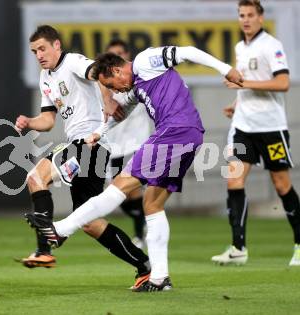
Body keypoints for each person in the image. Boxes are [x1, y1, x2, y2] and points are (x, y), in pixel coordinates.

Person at [26, 45, 243, 292]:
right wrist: (99, 132)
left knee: (119, 186)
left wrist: (225, 69)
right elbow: (123, 110)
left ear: (118, 71)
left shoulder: (144, 61)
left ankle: (60, 230)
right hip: (190, 135)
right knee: (152, 204)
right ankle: (160, 278)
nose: (113, 91)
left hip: (174, 132)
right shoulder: (137, 85)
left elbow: (188, 51)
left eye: (110, 85)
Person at [16, 25, 152, 289]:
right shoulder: (46, 77)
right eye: (34, 51)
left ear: (57, 45)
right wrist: (30, 122)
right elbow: (48, 119)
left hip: (90, 144)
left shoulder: (74, 62)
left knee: (35, 177)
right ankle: (144, 266)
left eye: (43, 48)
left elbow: (99, 73)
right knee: (90, 222)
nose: (39, 55)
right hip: (89, 149)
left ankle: (45, 249)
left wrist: (109, 100)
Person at [211, 0, 300, 266]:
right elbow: (248, 84)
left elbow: (283, 83)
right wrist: (237, 103)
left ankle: (299, 243)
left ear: (260, 18)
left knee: (282, 185)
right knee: (234, 181)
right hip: (243, 127)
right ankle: (239, 248)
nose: (246, 19)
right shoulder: (241, 46)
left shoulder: (271, 46)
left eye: (251, 15)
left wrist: (242, 83)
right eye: (242, 15)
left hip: (271, 127)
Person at [105, 39, 151, 248]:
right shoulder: (106, 85)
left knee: (132, 190)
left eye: (119, 54)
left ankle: (143, 233)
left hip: (137, 143)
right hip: (114, 147)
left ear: (127, 55)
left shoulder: (137, 77)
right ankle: (146, 221)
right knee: (119, 195)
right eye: (111, 55)